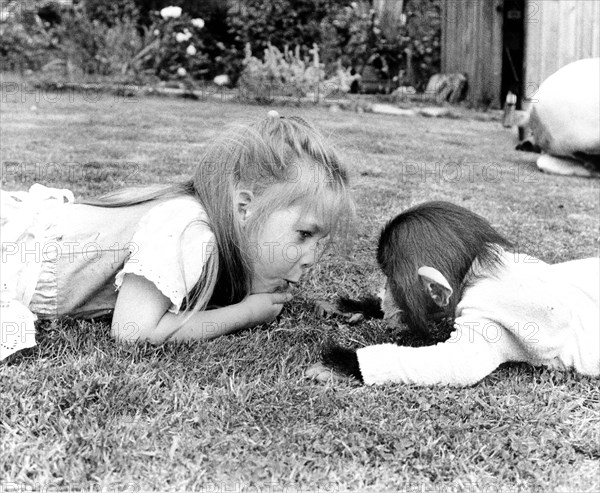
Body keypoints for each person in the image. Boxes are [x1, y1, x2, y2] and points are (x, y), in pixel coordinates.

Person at [1, 112, 354, 360]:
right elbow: (132, 332)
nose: (312, 258)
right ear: (245, 208)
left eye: (319, 242)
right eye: (304, 234)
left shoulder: (212, 234)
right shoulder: (190, 229)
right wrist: (244, 314)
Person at [308, 201, 599, 386]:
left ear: (436, 289)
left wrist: (358, 365)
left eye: (392, 284)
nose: (388, 291)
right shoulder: (490, 264)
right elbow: (430, 303)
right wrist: (370, 307)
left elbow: (459, 364)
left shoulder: (490, 309)